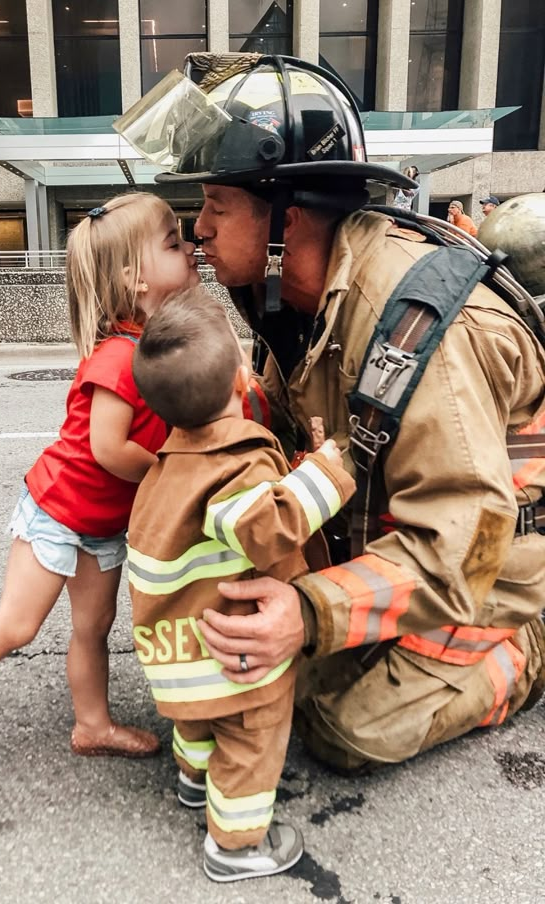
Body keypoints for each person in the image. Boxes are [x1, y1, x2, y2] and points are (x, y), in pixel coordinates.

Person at [115, 52, 545, 775]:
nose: (199, 231)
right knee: (259, 680)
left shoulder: (422, 327)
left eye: (218, 205)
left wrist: (307, 612)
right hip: (388, 537)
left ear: (291, 214)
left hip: (491, 567)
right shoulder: (289, 304)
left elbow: (461, 545)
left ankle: (530, 651)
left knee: (342, 728)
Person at [0, 191, 201, 805]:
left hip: (101, 522)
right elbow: (110, 449)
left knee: (93, 625)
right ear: (136, 279)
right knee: (17, 624)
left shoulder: (154, 345)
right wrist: (175, 471)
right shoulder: (120, 357)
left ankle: (92, 725)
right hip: (59, 511)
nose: (190, 247)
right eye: (173, 241)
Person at [128, 290, 355, 881]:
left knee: (198, 724)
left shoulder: (166, 467)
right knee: (251, 743)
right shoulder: (233, 467)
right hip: (230, 661)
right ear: (239, 382)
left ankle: (193, 779)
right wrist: (327, 469)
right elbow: (269, 527)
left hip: (176, 649)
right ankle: (236, 844)